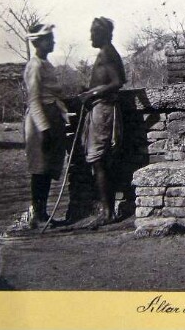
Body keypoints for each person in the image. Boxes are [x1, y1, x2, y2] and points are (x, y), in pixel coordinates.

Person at [79, 17, 126, 226]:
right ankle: (108, 211)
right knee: (102, 160)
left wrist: (93, 93)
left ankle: (107, 213)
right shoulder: (107, 52)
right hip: (101, 108)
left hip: (104, 109)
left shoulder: (107, 53)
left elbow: (117, 82)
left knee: (98, 159)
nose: (90, 36)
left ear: (103, 34)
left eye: (93, 33)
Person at [23, 23, 67, 228]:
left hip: (52, 116)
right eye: (49, 39)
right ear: (38, 42)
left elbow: (54, 93)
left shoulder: (46, 64)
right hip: (40, 122)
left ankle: (43, 214)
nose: (53, 42)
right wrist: (44, 128)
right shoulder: (35, 66)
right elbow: (34, 99)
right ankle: (37, 216)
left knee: (47, 168)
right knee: (40, 169)